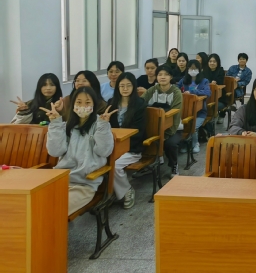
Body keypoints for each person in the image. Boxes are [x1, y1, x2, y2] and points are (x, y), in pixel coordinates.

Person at [45, 87, 115, 215]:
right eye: (79, 102)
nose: (83, 106)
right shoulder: (67, 125)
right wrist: (55, 124)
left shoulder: (99, 124)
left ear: (94, 105)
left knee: (55, 210)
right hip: (61, 180)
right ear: (73, 105)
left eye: (87, 102)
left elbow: (104, 152)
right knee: (37, 205)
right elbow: (55, 152)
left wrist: (103, 126)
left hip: (84, 185)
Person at [108, 72, 147, 209]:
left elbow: (139, 132)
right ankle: (109, 193)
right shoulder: (111, 103)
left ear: (134, 87)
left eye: (128, 85)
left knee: (115, 165)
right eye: (122, 86)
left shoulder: (140, 105)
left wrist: (121, 144)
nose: (125, 89)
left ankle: (127, 190)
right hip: (112, 146)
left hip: (132, 148)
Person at [142, 65, 183, 176]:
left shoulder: (176, 92)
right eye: (160, 74)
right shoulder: (152, 90)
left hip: (173, 128)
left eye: (166, 75)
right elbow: (140, 103)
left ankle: (174, 165)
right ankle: (148, 163)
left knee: (170, 144)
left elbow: (176, 116)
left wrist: (166, 134)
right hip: (154, 127)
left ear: (171, 77)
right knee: (142, 139)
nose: (163, 77)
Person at [177, 60, 211, 153]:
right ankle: (185, 144)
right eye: (190, 68)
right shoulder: (183, 80)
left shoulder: (204, 81)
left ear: (199, 70)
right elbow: (176, 88)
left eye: (195, 68)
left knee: (193, 127)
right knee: (182, 126)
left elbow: (207, 92)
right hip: (185, 111)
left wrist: (192, 92)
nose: (192, 70)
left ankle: (195, 143)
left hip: (200, 112)